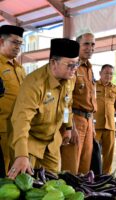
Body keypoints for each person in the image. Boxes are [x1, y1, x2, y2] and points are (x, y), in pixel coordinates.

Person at [8, 38, 79, 179]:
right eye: (70, 65)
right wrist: (21, 154)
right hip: (29, 142)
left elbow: (67, 105)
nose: (74, 69)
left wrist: (68, 127)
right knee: (26, 186)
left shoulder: (70, 78)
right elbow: (21, 120)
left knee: (52, 185)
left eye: (77, 64)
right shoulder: (34, 84)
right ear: (53, 62)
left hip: (52, 143)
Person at [61, 32, 97, 174]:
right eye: (86, 44)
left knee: (85, 166)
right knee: (71, 167)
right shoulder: (72, 66)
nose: (90, 48)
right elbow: (65, 100)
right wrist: (70, 127)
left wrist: (92, 124)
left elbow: (90, 100)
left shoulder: (89, 67)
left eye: (93, 44)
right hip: (75, 120)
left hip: (88, 121)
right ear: (78, 46)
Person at [0, 25, 26, 176]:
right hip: (2, 128)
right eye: (14, 42)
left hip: (18, 129)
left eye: (20, 44)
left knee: (16, 172)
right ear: (1, 41)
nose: (18, 47)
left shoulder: (20, 68)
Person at [94, 64, 116, 174]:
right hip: (95, 126)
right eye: (106, 73)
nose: (108, 75)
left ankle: (106, 176)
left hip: (110, 126)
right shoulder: (93, 86)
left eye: (111, 73)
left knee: (108, 153)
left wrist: (109, 114)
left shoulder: (115, 89)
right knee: (93, 152)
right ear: (100, 73)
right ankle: (93, 175)